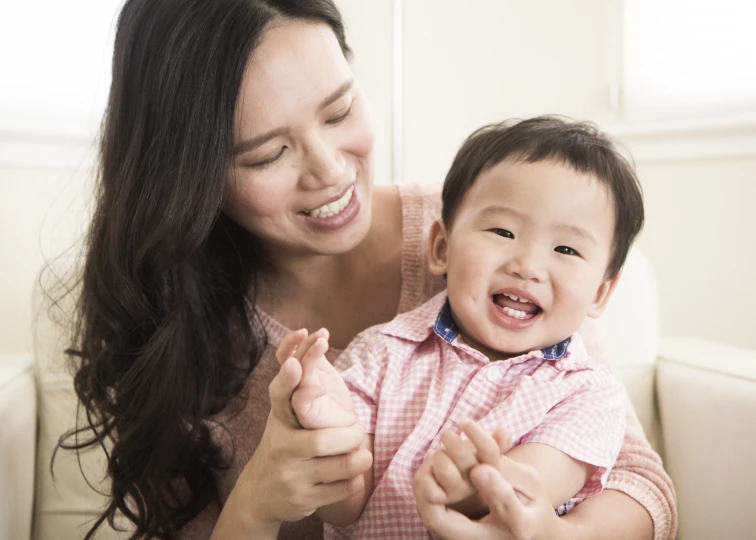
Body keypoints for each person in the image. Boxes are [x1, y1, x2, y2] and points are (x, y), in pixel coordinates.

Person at [58, 0, 677, 539]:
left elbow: (640, 482)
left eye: (338, 112)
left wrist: (550, 526)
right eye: (269, 153)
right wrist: (259, 499)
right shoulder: (173, 326)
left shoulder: (493, 232)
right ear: (192, 180)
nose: (329, 169)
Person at [281, 117, 640, 539]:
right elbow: (343, 509)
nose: (526, 265)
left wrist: (470, 484)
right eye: (503, 231)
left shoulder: (588, 394)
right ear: (441, 248)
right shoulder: (381, 352)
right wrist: (323, 430)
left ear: (600, 293)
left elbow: (531, 483)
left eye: (566, 249)